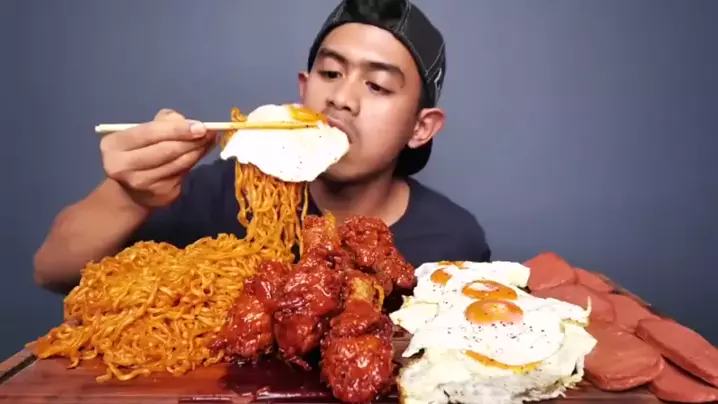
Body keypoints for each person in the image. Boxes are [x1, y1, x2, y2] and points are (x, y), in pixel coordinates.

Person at [33, 0, 491, 294]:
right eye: (331, 74)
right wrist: (130, 195)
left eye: (377, 86)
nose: (341, 98)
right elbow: (52, 271)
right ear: (303, 89)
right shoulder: (216, 193)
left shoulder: (451, 240)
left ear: (421, 128)